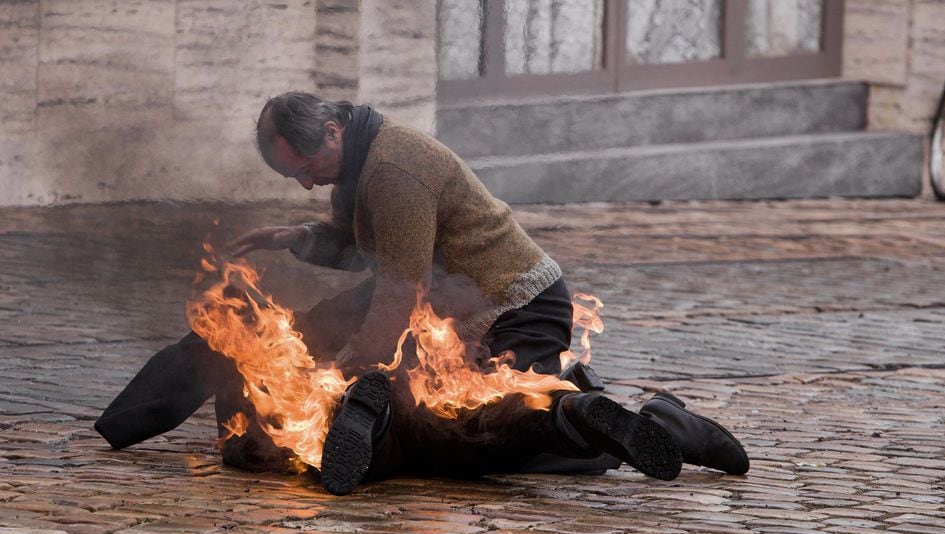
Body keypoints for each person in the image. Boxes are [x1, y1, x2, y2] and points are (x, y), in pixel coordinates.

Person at [95, 93, 749, 495]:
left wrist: (348, 377)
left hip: (514, 313)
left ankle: (652, 420)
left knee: (482, 438)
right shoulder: (358, 159)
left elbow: (398, 295)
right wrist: (296, 237)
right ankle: (126, 419)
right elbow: (363, 250)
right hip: (448, 300)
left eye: (306, 172)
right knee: (283, 330)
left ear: (329, 133)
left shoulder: (395, 169)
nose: (304, 184)